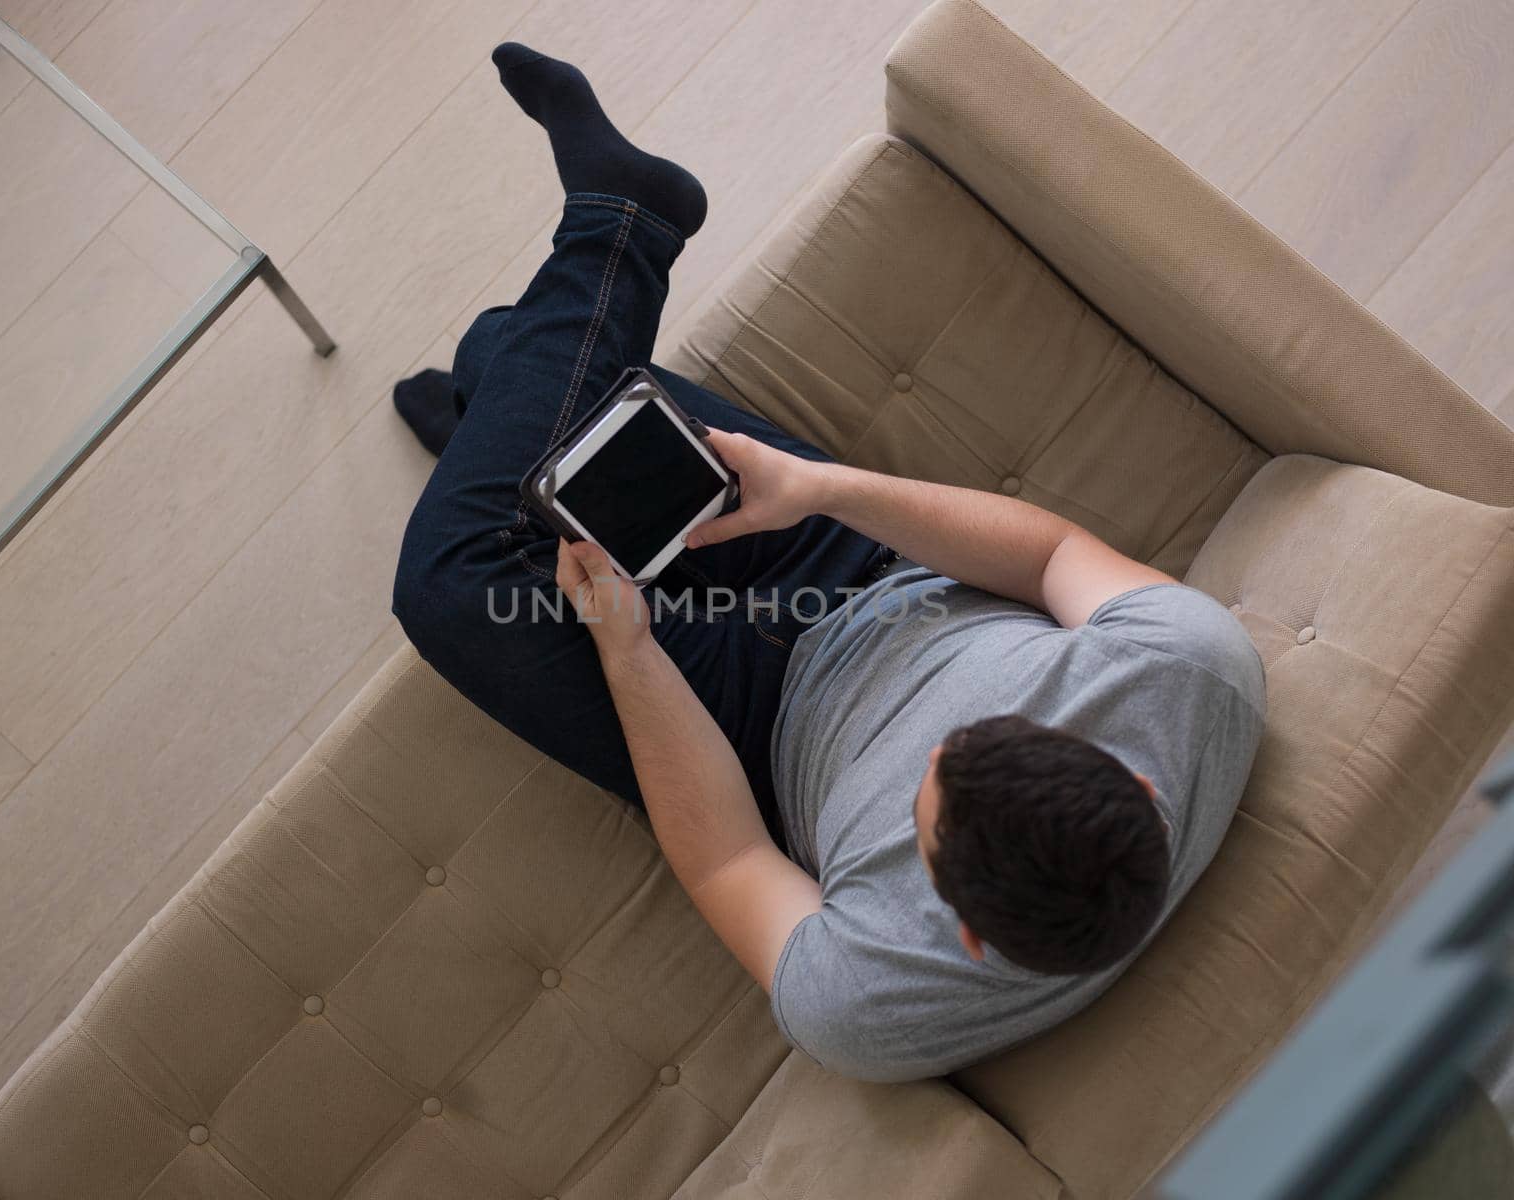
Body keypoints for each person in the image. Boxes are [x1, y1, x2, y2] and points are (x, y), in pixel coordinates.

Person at [391, 43, 1267, 1083]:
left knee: (452, 576)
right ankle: (504, 384)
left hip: (744, 735)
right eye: (979, 731)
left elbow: (731, 859)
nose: (932, 746)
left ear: (968, 937)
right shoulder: (1193, 675)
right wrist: (823, 491)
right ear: (1127, 766)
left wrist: (629, 654)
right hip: (867, 569)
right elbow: (1049, 557)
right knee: (544, 384)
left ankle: (613, 234)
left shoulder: (875, 1010)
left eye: (922, 802)